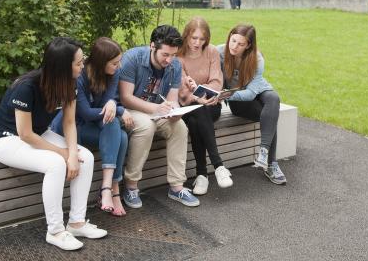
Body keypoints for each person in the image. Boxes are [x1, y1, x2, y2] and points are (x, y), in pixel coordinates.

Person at [0, 37, 107, 251]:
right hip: (5, 139)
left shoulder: (70, 83)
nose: (83, 65)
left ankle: (77, 222)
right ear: (62, 66)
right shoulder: (26, 86)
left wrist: (71, 154)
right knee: (56, 164)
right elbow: (24, 134)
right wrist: (62, 154)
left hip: (39, 134)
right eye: (79, 62)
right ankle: (56, 231)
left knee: (84, 157)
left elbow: (69, 123)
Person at [118, 25, 200, 207]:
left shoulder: (175, 65)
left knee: (179, 127)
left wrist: (174, 112)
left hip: (156, 110)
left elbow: (171, 100)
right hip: (130, 110)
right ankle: (131, 186)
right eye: (165, 55)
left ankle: (177, 187)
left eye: (173, 55)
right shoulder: (132, 58)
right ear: (152, 46)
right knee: (147, 126)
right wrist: (158, 108)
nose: (169, 60)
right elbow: (125, 98)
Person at [51, 37, 130, 217]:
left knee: (120, 133)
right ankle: (111, 191)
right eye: (114, 63)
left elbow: (106, 101)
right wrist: (116, 108)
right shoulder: (80, 76)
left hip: (91, 124)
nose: (118, 66)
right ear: (102, 62)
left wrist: (111, 102)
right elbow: (85, 112)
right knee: (116, 126)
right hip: (72, 127)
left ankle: (107, 188)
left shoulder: (113, 72)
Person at [216, 24, 287, 185]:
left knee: (273, 99)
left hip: (255, 91)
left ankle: (265, 155)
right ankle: (271, 163)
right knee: (269, 116)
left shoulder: (257, 58)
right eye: (233, 41)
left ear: (248, 45)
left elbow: (251, 93)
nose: (234, 46)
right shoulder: (218, 52)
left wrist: (227, 94)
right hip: (238, 100)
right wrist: (225, 94)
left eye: (240, 44)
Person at [177, 17, 233, 195]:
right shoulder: (178, 55)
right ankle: (218, 166)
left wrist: (205, 95)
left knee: (198, 116)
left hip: (211, 103)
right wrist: (196, 96)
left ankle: (202, 174)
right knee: (195, 116)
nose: (197, 43)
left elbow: (217, 80)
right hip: (187, 105)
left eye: (202, 39)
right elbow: (182, 88)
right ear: (186, 36)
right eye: (194, 38)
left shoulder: (211, 52)